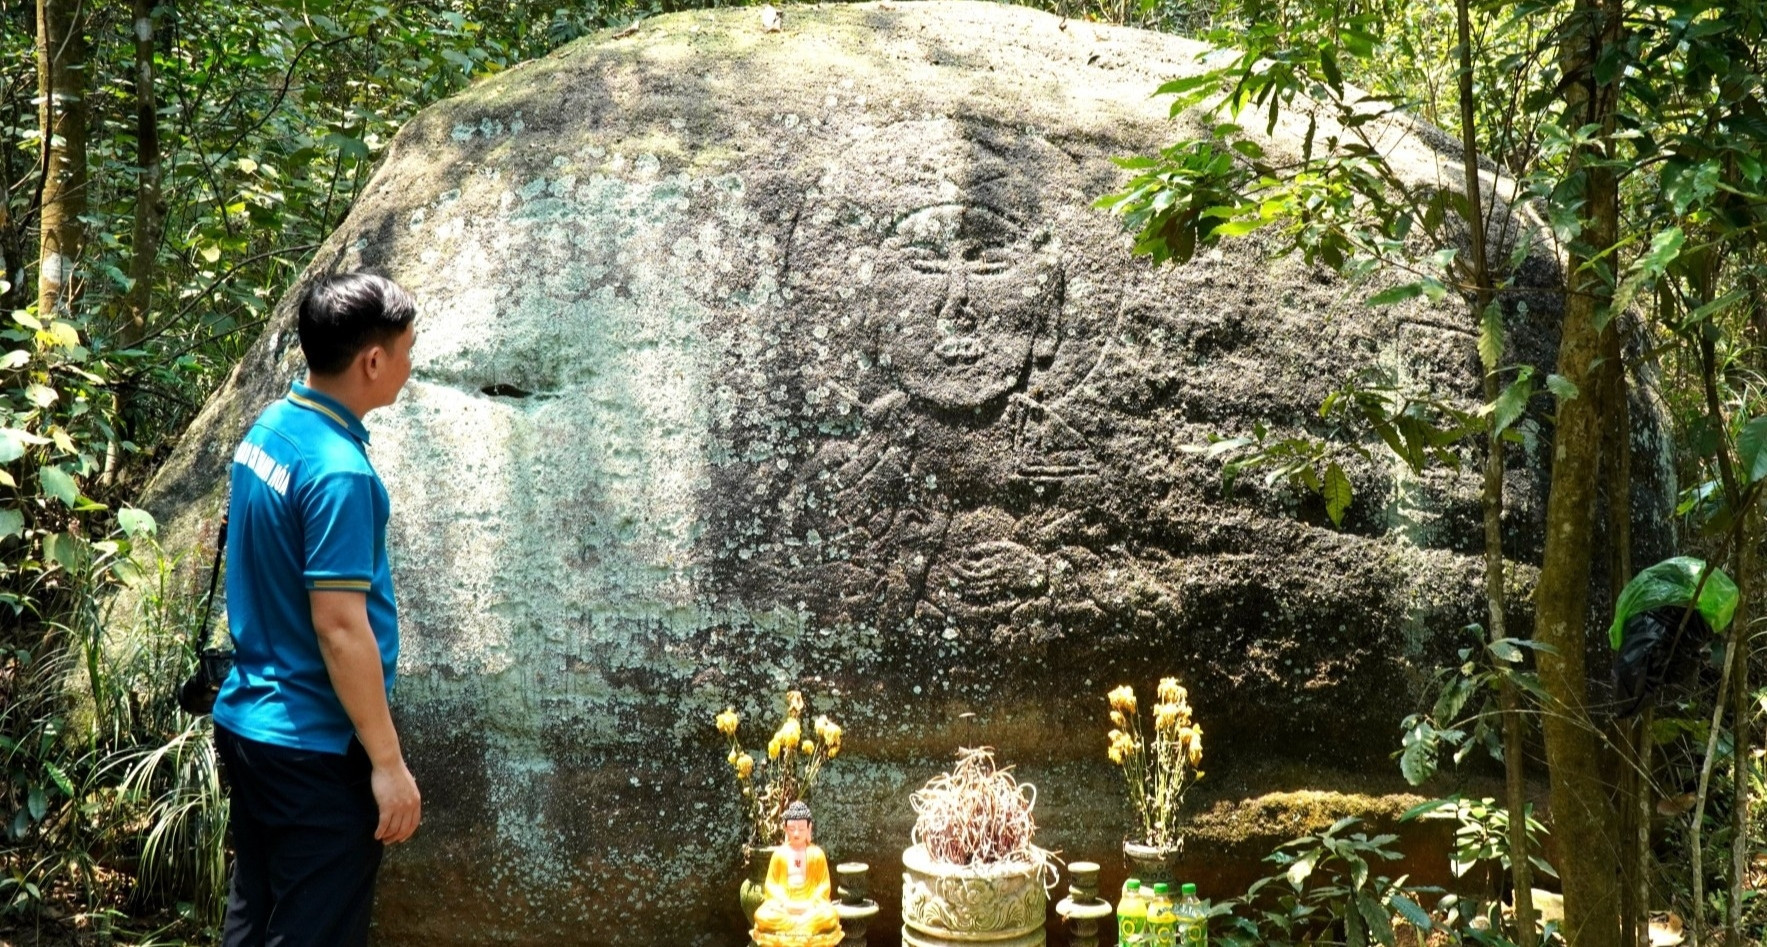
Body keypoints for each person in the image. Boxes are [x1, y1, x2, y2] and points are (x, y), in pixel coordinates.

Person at [212, 271, 422, 947]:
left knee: (255, 912)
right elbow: (339, 627)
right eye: (407, 349)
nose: (410, 365)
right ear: (372, 360)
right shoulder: (338, 472)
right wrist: (387, 764)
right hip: (314, 747)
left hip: (252, 722)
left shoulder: (272, 429)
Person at [752, 800, 844, 947]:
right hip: (784, 907)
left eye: (801, 829)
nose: (796, 833)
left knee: (830, 916)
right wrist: (785, 903)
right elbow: (771, 885)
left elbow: (823, 887)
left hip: (810, 909)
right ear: (785, 829)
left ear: (809, 829)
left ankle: (797, 926)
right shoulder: (779, 854)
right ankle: (800, 927)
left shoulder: (817, 854)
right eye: (792, 828)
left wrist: (808, 906)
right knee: (761, 916)